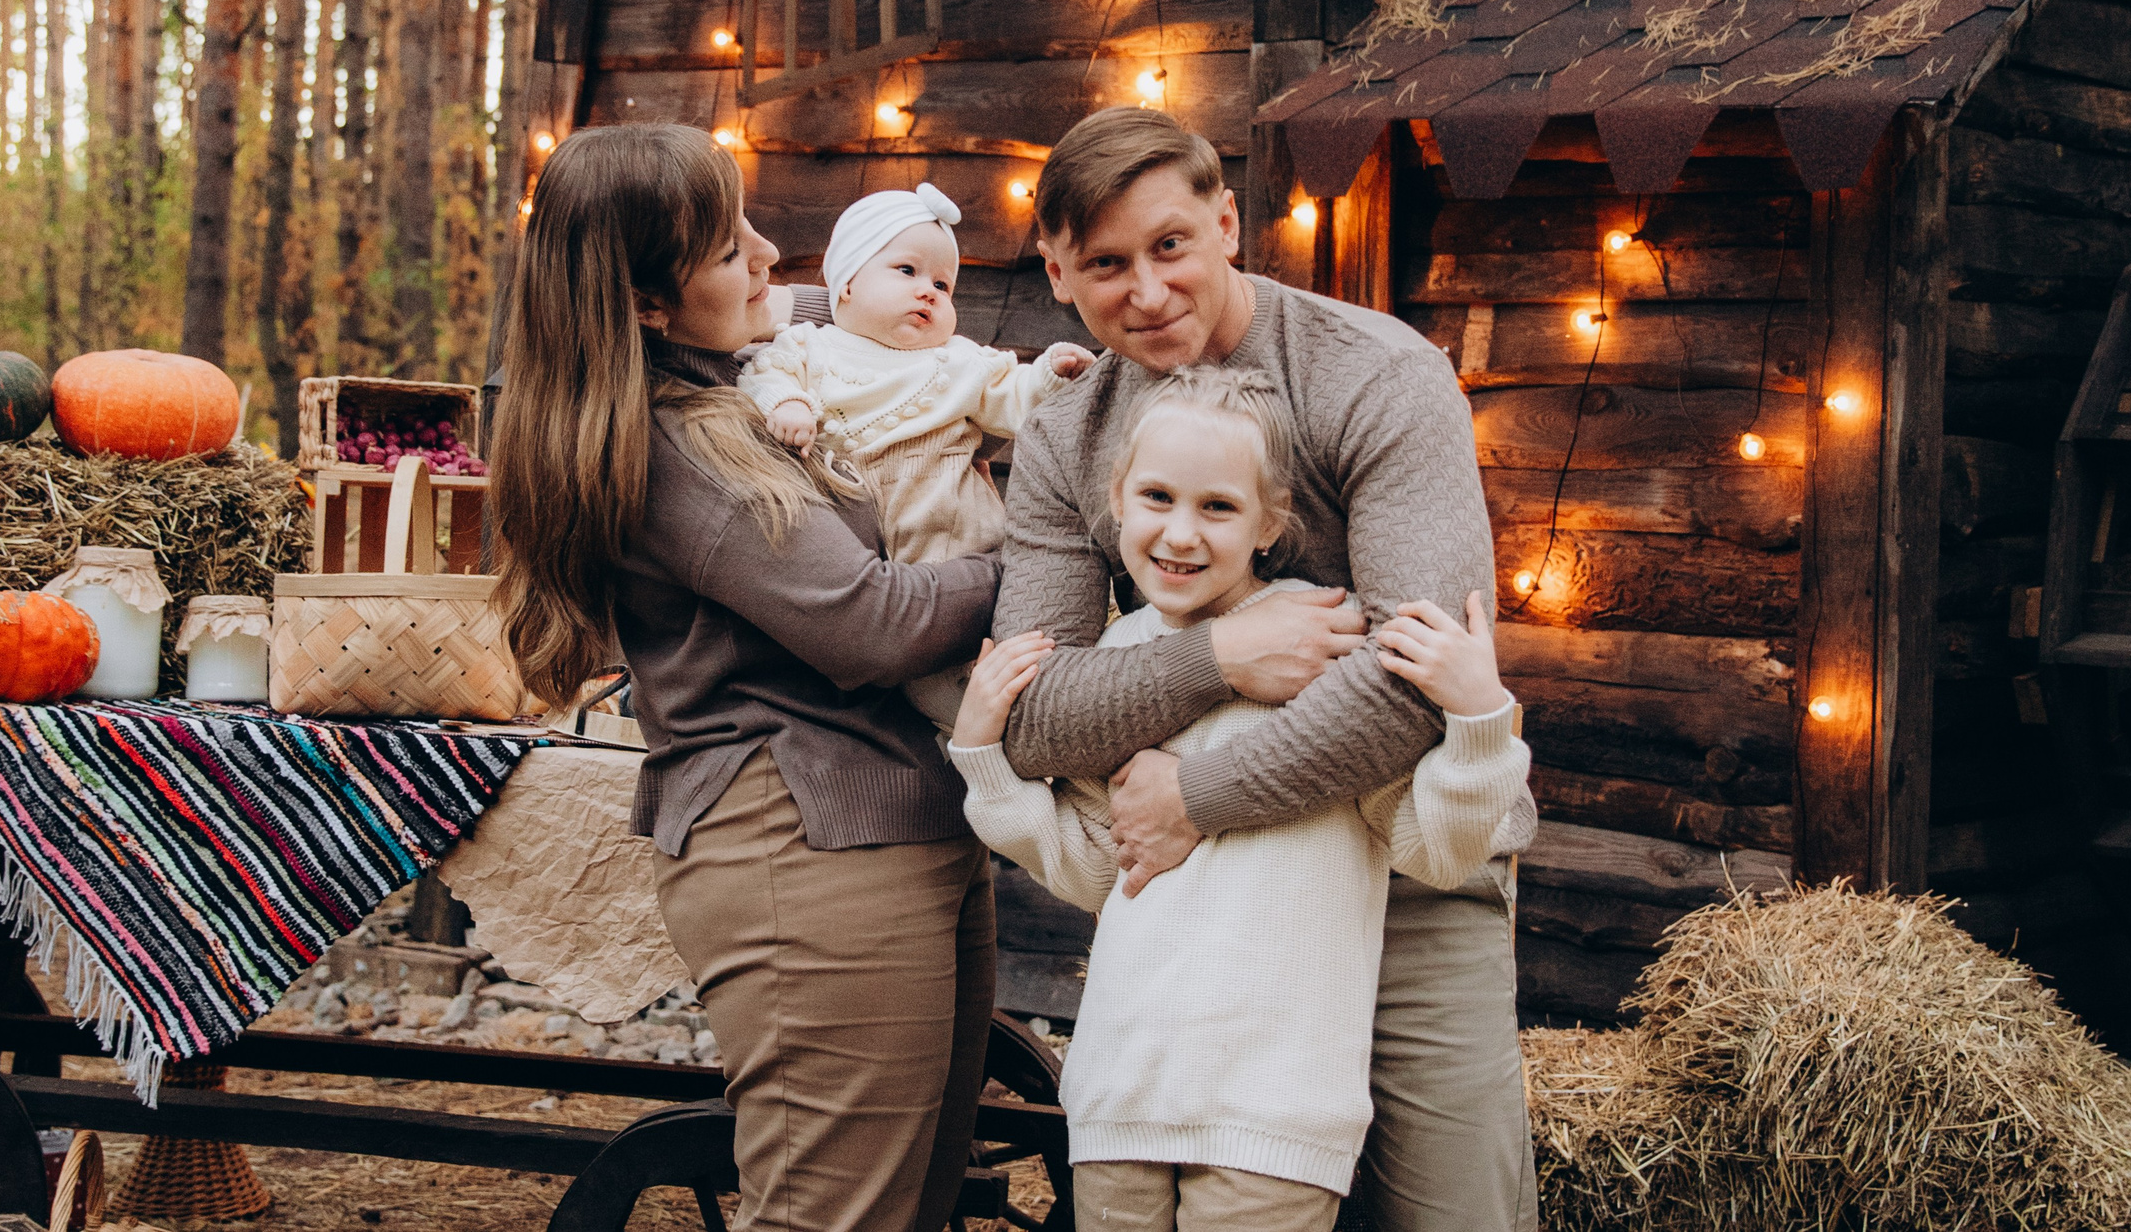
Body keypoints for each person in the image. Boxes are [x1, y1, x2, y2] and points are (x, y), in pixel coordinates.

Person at [992, 105, 1539, 1232]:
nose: (1144, 292)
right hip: (1209, 911)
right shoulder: (1061, 438)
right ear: (1057, 272)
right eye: (1104, 264)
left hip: (1405, 859)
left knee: (1453, 1210)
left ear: (1227, 222)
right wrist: (1216, 657)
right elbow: (1037, 716)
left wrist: (1196, 794)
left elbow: (1414, 675)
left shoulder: (1375, 376)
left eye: (1169, 246)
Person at [485, 123, 1007, 1232]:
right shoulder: (683, 453)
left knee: (912, 1209)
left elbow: (832, 303)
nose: (771, 256)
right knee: (834, 1215)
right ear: (641, 304)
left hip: (900, 830)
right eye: (730, 251)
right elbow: (869, 622)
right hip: (806, 851)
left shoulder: (743, 374)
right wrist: (1038, 558)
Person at [739, 180, 1090, 726]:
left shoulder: (957, 361)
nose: (929, 291)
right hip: (874, 584)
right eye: (907, 271)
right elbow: (764, 374)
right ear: (847, 284)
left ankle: (1034, 751)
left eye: (944, 285)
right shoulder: (808, 346)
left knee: (1007, 688)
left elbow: (1012, 397)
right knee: (933, 707)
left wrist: (1049, 374)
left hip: (965, 553)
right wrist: (787, 403)